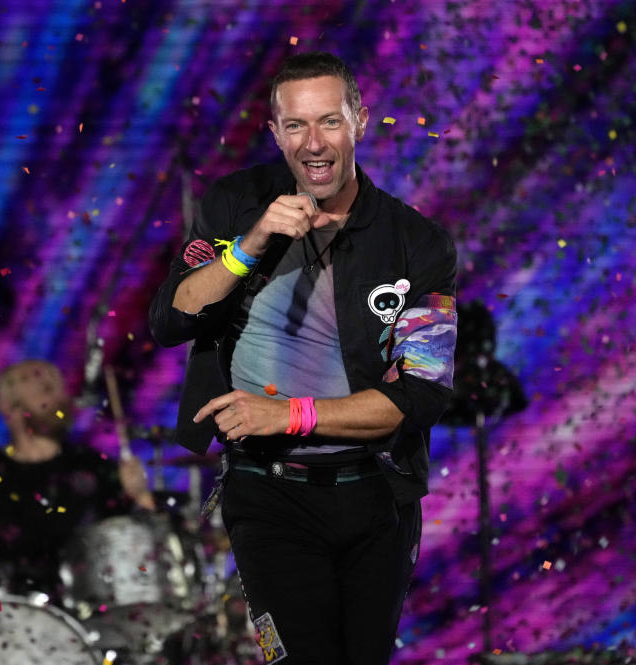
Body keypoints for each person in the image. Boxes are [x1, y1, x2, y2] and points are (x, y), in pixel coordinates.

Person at [148, 52, 458, 664]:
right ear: (274, 132)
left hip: (378, 497)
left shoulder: (417, 243)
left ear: (359, 122)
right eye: (295, 126)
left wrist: (290, 414)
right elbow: (170, 320)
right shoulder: (236, 203)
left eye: (329, 122)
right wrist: (250, 245)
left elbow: (423, 394)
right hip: (267, 498)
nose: (313, 144)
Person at [0, 359, 155, 606]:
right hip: (2, 624)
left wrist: (140, 495)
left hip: (88, 622)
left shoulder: (93, 467)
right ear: (14, 410)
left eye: (60, 390)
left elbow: (144, 547)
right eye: (46, 391)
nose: (62, 399)